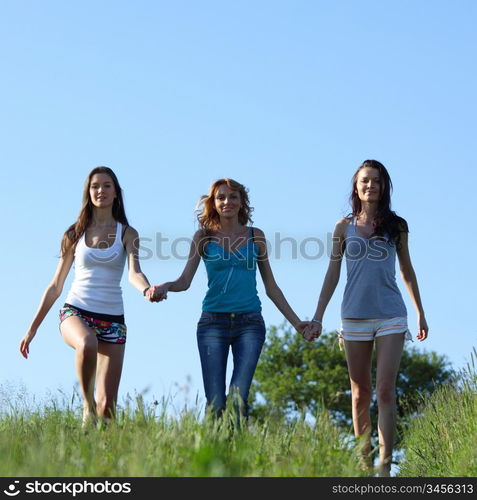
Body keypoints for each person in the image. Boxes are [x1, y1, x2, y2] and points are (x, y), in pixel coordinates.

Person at [304, 160, 428, 476]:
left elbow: (407, 270)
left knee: (385, 390)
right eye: (364, 181)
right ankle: (363, 464)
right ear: (356, 187)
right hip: (354, 316)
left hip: (391, 315)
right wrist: (317, 316)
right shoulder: (343, 227)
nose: (369, 186)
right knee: (360, 393)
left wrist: (420, 313)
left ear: (383, 186)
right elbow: (332, 272)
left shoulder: (397, 225)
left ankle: (384, 467)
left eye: (375, 181)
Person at [148, 178, 309, 421]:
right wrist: (167, 286)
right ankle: (213, 455)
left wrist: (297, 323)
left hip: (250, 324)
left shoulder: (256, 236)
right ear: (213, 203)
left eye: (233, 197)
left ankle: (237, 456)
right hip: (212, 323)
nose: (227, 202)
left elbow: (271, 287)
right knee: (215, 402)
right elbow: (185, 281)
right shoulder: (203, 237)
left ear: (242, 202)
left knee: (238, 397)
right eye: (221, 197)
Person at [20, 166, 154, 425]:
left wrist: (146, 289)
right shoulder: (75, 233)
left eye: (106, 186)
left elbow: (134, 274)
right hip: (76, 311)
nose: (100, 191)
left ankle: (101, 455)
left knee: (108, 410)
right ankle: (86, 404)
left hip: (113, 320)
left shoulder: (128, 234)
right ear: (88, 192)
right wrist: (32, 329)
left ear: (116, 193)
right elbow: (55, 286)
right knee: (87, 343)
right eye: (95, 186)